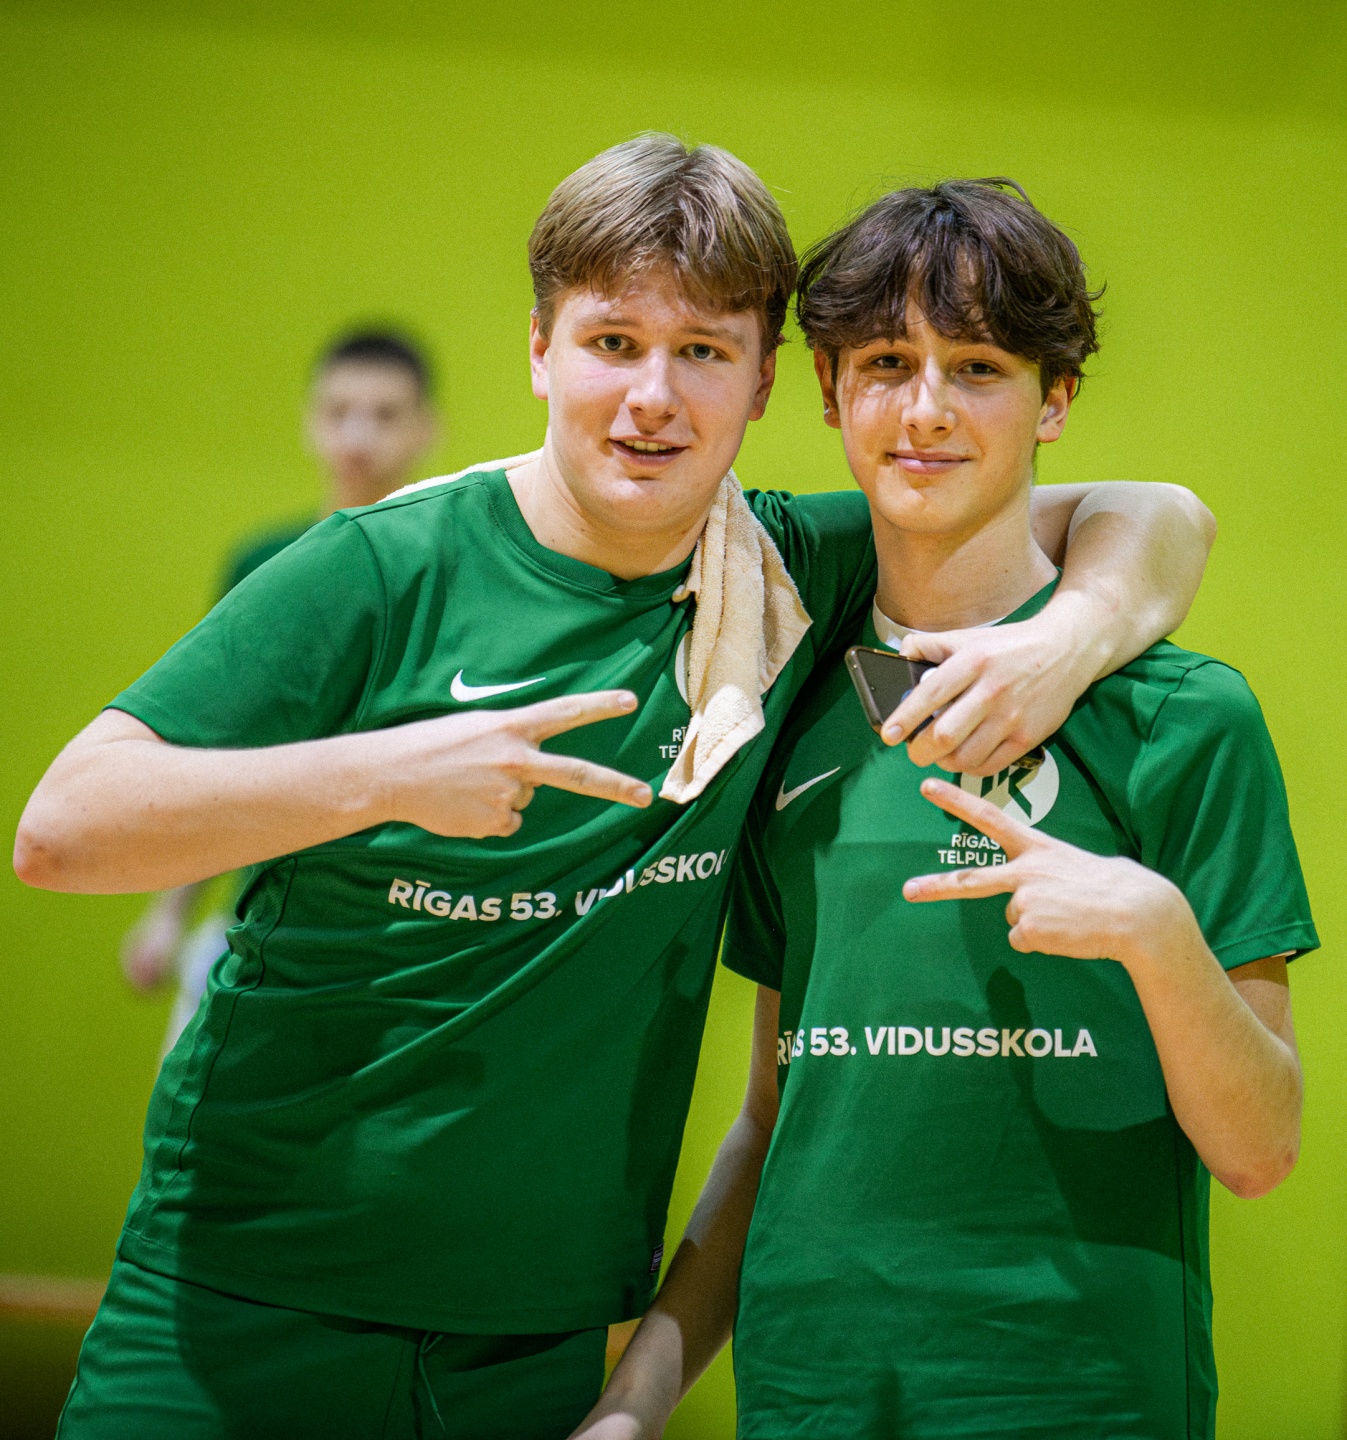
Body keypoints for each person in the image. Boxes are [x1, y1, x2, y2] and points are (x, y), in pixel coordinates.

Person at [15, 139, 1214, 1440]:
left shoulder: (784, 569)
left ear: (764, 381)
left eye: (702, 351)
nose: (654, 395)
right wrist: (383, 774)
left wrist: (1067, 640)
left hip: (534, 1339)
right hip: (239, 1300)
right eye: (612, 343)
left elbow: (1151, 511)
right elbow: (65, 829)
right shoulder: (385, 566)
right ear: (540, 349)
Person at [578, 180, 1315, 1440]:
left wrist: (1153, 931)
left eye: (977, 368)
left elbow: (1259, 1149)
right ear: (828, 392)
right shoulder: (784, 706)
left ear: (1056, 400)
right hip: (810, 1395)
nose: (924, 409)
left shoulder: (1184, 717)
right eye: (885, 364)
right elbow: (775, 1117)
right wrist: (636, 1403)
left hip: (1081, 1397)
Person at [119, 328, 439, 1051]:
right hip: (256, 927)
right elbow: (218, 749)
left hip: (402, 942)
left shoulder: (459, 571)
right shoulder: (264, 566)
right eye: (338, 411)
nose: (358, 437)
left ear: (427, 428)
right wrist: (168, 914)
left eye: (385, 414)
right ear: (309, 421)